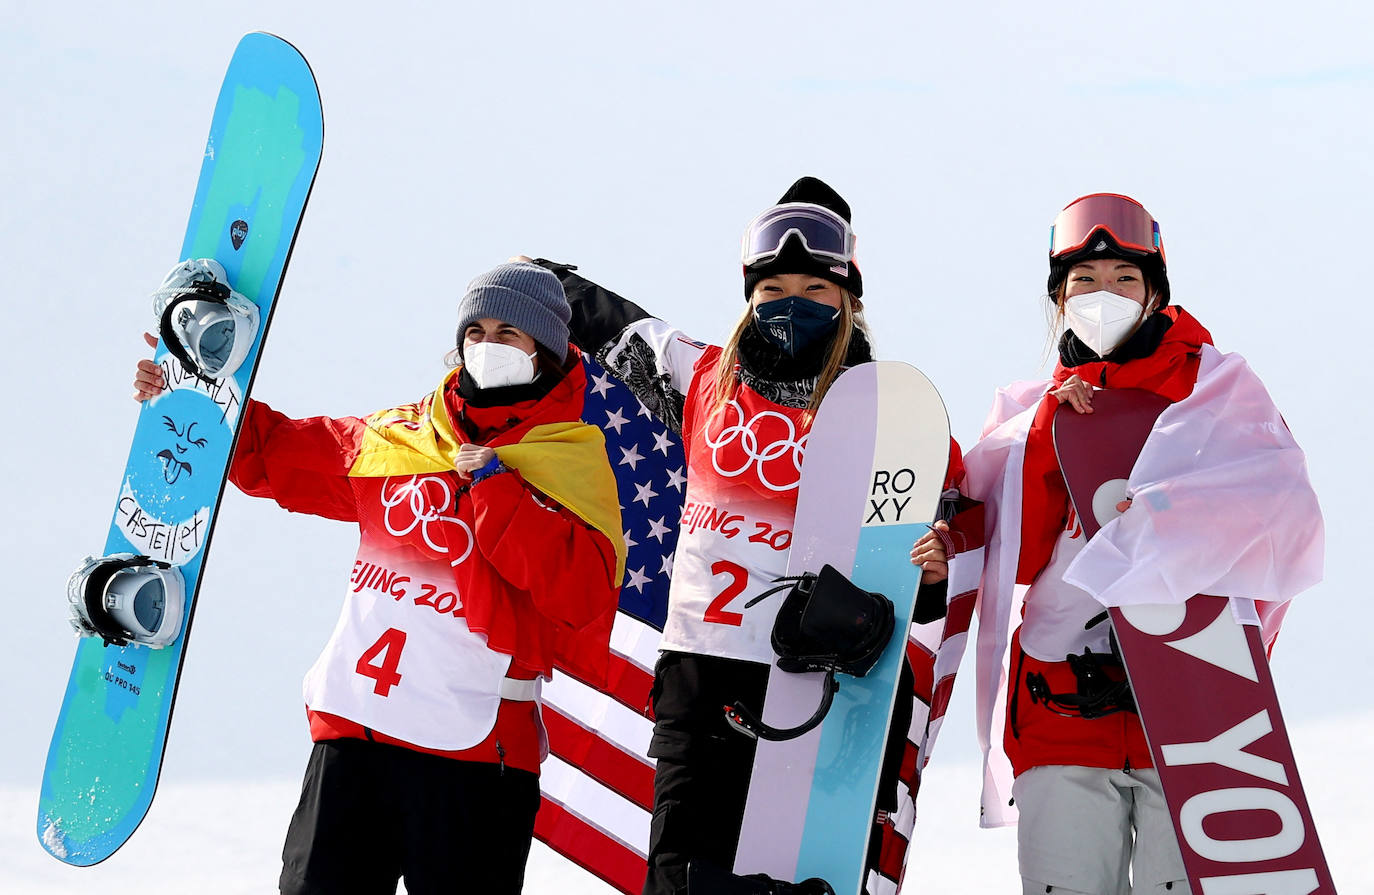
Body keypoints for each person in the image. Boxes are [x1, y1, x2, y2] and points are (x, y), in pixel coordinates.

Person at [524, 176, 966, 895]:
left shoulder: (890, 420)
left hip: (817, 675)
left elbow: (908, 581)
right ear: (749, 296)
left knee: (800, 873)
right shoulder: (703, 376)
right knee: (681, 875)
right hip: (702, 669)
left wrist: (934, 573)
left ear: (849, 300)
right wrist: (537, 281)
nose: (793, 304)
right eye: (774, 289)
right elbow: (612, 325)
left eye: (816, 291)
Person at [133, 261, 625, 895]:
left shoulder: (571, 463)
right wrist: (188, 398)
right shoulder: (403, 438)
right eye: (475, 329)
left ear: (547, 352)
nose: (486, 346)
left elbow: (580, 596)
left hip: (476, 757)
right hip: (356, 738)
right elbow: (279, 454)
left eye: (509, 333)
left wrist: (499, 491)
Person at [913, 193, 1324, 894]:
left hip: (1195, 706)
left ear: (1155, 290)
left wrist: (1163, 513)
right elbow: (1005, 542)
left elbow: (1285, 513)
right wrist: (1052, 437)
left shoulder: (1218, 390)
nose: (1105, 295)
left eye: (1124, 279)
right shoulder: (1026, 412)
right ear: (1059, 298)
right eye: (1086, 281)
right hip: (1060, 705)